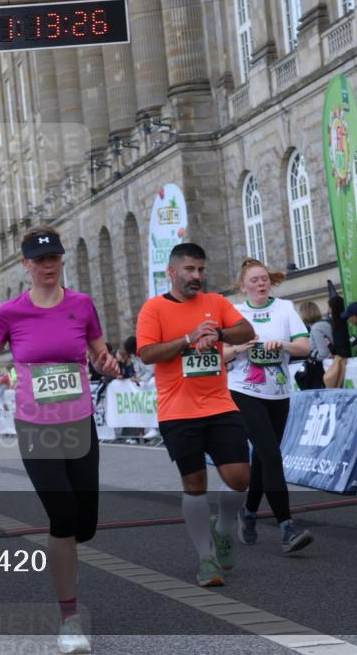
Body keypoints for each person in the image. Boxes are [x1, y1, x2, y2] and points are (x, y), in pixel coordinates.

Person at [0, 226, 119, 654]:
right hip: (35, 426)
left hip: (79, 422)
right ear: (26, 266)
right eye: (39, 260)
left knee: (84, 525)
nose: (48, 266)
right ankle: (69, 617)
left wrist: (107, 363)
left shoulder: (82, 305)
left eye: (53, 258)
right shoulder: (10, 313)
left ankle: (67, 560)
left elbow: (98, 352)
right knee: (61, 516)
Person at [136, 243, 254, 587]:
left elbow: (246, 331)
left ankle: (225, 528)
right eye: (189, 270)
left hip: (219, 404)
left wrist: (218, 333)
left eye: (200, 270)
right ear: (171, 272)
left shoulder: (215, 303)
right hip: (177, 410)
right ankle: (206, 559)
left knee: (240, 478)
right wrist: (188, 339)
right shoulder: (154, 309)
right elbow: (146, 353)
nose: (196, 276)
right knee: (195, 483)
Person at [223, 259, 315, 553]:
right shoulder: (235, 313)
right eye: (254, 280)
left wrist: (282, 345)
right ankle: (287, 527)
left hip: (278, 392)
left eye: (264, 279)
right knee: (272, 454)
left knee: (264, 458)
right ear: (243, 286)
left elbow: (305, 346)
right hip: (243, 389)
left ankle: (249, 512)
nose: (261, 284)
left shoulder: (285, 308)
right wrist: (239, 348)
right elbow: (219, 352)